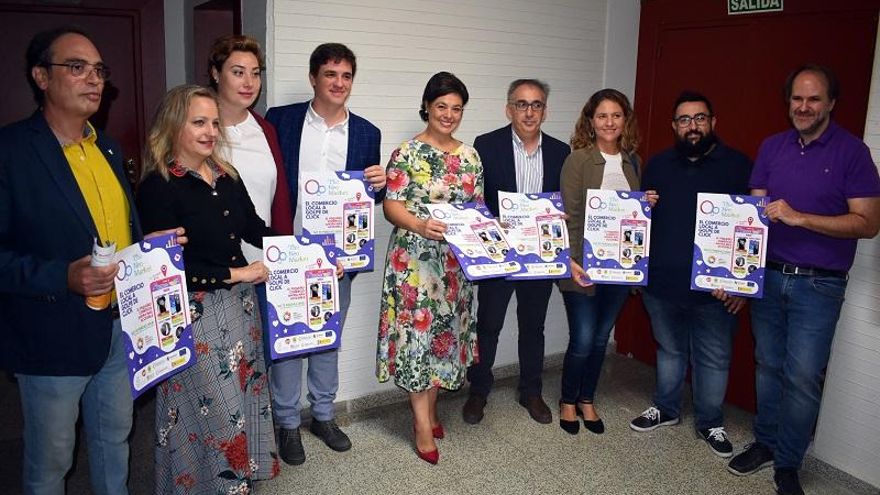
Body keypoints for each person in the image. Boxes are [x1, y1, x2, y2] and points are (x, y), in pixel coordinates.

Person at [0, 27, 184, 495]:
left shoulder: (108, 148)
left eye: (99, 70)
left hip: (119, 327)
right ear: (41, 76)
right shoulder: (11, 151)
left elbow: (114, 234)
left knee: (113, 440)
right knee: (52, 460)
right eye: (77, 67)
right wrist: (63, 276)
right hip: (51, 333)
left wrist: (145, 247)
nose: (94, 79)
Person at [727, 65, 880, 495]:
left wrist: (800, 218)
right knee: (768, 366)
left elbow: (868, 223)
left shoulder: (853, 152)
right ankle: (765, 443)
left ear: (831, 103)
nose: (804, 107)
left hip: (819, 285)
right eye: (797, 98)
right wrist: (735, 270)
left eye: (814, 99)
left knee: (802, 376)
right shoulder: (772, 147)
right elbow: (752, 216)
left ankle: (789, 463)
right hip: (770, 277)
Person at [137, 85, 278, 494]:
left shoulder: (226, 175)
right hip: (194, 313)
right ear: (173, 126)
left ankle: (238, 480)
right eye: (199, 122)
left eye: (215, 123)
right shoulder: (158, 185)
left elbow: (255, 230)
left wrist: (310, 253)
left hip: (240, 308)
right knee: (213, 407)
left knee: (241, 396)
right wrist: (237, 274)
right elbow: (167, 269)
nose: (210, 131)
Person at [265, 42, 386, 466]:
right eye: (330, 74)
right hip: (288, 251)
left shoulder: (368, 133)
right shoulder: (280, 120)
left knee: (326, 339)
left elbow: (366, 199)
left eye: (346, 75)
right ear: (313, 77)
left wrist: (380, 184)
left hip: (338, 259)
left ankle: (322, 415)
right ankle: (286, 422)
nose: (338, 83)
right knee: (288, 340)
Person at [629, 91, 751, 458]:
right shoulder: (657, 165)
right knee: (669, 351)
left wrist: (742, 286)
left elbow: (752, 229)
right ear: (674, 126)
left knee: (713, 359)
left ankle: (710, 422)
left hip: (715, 292)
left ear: (713, 122)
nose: (692, 126)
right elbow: (641, 222)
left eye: (699, 118)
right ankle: (666, 408)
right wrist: (636, 270)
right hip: (662, 284)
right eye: (684, 120)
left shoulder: (739, 166)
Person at [377, 72, 482, 464]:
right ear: (427, 106)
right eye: (442, 106)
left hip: (455, 264)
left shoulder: (471, 156)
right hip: (415, 263)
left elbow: (477, 210)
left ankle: (431, 410)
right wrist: (420, 225)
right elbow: (391, 206)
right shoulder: (406, 153)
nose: (449, 115)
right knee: (416, 339)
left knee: (443, 338)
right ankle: (421, 424)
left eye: (456, 108)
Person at [461, 79, 569, 425]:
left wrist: (561, 216)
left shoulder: (560, 152)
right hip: (498, 254)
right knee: (488, 325)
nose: (529, 112)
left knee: (533, 326)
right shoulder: (486, 145)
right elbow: (474, 199)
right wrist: (489, 221)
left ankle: (531, 391)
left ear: (545, 111)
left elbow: (565, 200)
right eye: (521, 104)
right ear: (509, 109)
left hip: (539, 257)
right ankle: (478, 390)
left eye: (536, 105)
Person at [558, 89, 654, 435]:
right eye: (602, 116)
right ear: (591, 121)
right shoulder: (578, 160)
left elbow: (632, 220)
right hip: (582, 268)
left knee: (600, 339)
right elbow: (568, 217)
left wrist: (646, 204)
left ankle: (587, 398)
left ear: (625, 120)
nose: (609, 122)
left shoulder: (633, 161)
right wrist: (570, 262)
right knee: (583, 338)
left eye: (616, 115)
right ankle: (568, 400)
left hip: (619, 270)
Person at [208, 34, 293, 262]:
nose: (249, 83)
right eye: (238, 73)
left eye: (255, 74)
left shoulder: (267, 130)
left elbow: (279, 203)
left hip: (264, 261)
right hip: (217, 269)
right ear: (216, 74)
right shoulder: (197, 132)